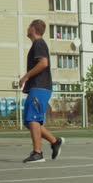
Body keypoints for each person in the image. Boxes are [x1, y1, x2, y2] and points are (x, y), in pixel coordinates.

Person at [18, 19, 64, 163]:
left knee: (33, 119)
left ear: (33, 28)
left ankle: (38, 153)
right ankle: (54, 141)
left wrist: (26, 76)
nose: (27, 29)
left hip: (40, 86)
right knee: (28, 121)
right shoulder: (37, 45)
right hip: (37, 87)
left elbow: (43, 63)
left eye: (28, 26)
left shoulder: (39, 43)